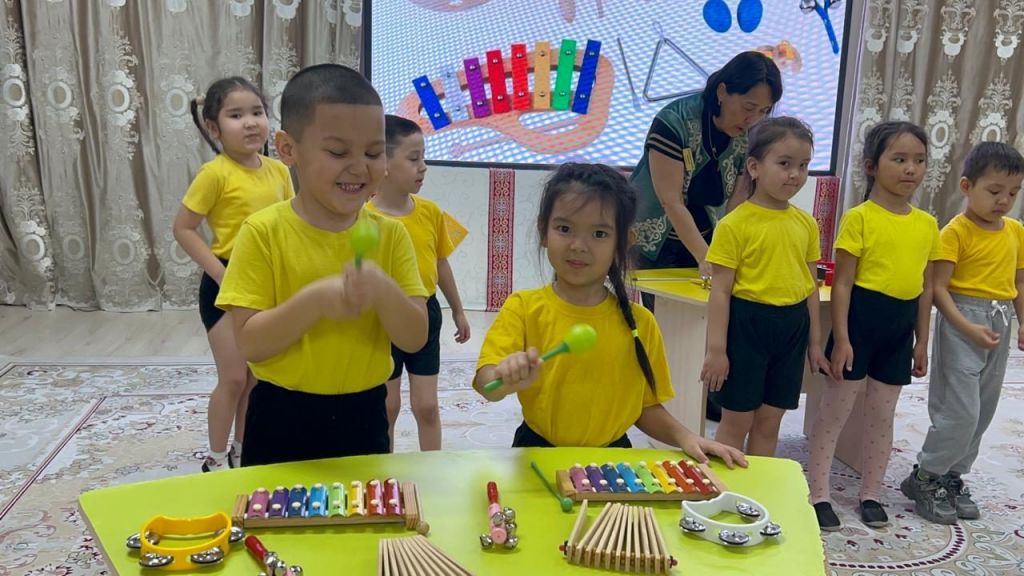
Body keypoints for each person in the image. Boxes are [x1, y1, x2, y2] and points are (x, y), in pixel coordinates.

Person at [214, 64, 428, 466]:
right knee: (275, 508)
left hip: (364, 413)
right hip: (280, 414)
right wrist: (314, 302)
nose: (359, 166)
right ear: (287, 149)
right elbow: (250, 343)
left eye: (373, 152)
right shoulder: (262, 232)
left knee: (360, 505)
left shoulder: (392, 235)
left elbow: (415, 338)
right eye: (338, 152)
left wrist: (383, 290)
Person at [473, 162, 746, 469]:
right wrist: (504, 378)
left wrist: (687, 437)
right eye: (564, 229)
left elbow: (645, 407)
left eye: (599, 233)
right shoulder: (523, 308)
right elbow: (486, 385)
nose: (578, 246)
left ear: (624, 242)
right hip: (537, 452)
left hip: (611, 460)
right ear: (543, 231)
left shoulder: (640, 323)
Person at [807, 121, 940, 531]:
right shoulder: (859, 218)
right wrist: (843, 339)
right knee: (835, 411)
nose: (910, 169)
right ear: (871, 165)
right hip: (859, 326)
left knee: (883, 415)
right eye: (899, 159)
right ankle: (819, 494)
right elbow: (843, 284)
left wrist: (922, 341)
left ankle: (870, 494)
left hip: (899, 331)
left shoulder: (927, 224)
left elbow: (926, 287)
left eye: (919, 160)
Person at [172, 76, 294, 472]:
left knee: (256, 378)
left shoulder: (279, 171)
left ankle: (242, 451)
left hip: (267, 285)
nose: (250, 123)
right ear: (214, 127)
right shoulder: (215, 173)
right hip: (225, 284)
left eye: (257, 112)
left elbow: (291, 224)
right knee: (233, 378)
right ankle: (215, 458)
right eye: (236, 115)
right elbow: (183, 228)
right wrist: (220, 274)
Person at [901, 142, 1024, 524]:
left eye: (1013, 193)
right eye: (995, 191)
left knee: (983, 409)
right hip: (961, 322)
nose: (1004, 201)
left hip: (999, 321)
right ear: (967, 186)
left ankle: (952, 475)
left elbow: (1019, 282)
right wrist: (968, 326)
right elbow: (938, 289)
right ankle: (925, 475)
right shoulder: (955, 232)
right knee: (960, 411)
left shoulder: (1016, 232)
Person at [700, 117, 829, 457]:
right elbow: (720, 292)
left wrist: (815, 342)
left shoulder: (806, 224)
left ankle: (759, 486)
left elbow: (810, 286)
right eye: (784, 164)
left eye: (803, 166)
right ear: (754, 167)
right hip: (747, 327)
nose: (795, 174)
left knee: (770, 421)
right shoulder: (733, 225)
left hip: (792, 327)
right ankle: (726, 485)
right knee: (737, 420)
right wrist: (716, 350)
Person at [631, 51, 783, 286]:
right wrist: (706, 257)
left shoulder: (749, 135)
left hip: (707, 236)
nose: (752, 119)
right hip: (655, 241)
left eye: (763, 111)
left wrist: (723, 252)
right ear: (722, 92)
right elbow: (671, 201)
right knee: (665, 305)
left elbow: (737, 202)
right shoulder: (674, 121)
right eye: (748, 107)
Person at [368, 115, 471, 451]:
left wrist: (458, 310)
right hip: (382, 320)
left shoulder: (430, 212)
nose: (423, 167)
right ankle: (384, 470)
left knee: (426, 406)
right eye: (413, 159)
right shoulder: (364, 219)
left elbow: (440, 262)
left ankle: (432, 466)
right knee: (387, 406)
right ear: (383, 164)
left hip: (426, 313)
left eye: (423, 157)